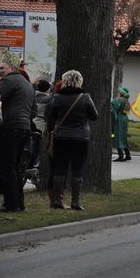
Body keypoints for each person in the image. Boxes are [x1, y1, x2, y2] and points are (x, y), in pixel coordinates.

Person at [46, 70, 98, 210]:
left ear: (64, 81)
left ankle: (57, 199)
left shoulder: (57, 97)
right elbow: (94, 116)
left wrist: (53, 129)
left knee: (60, 168)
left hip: (61, 138)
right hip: (80, 139)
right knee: (77, 169)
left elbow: (50, 119)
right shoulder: (85, 97)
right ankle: (76, 201)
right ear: (80, 81)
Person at [0, 51, 36, 212]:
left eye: (2, 67)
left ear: (11, 67)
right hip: (23, 128)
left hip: (8, 128)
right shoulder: (27, 84)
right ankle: (19, 204)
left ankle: (10, 204)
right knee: (16, 168)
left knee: (6, 167)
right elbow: (33, 110)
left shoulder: (8, 81)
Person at [111, 86, 131, 162]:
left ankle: (121, 156)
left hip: (118, 119)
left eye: (119, 92)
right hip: (125, 119)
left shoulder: (117, 100)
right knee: (123, 137)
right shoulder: (126, 101)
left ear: (121, 93)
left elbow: (112, 110)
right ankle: (128, 154)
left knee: (118, 137)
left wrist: (113, 119)